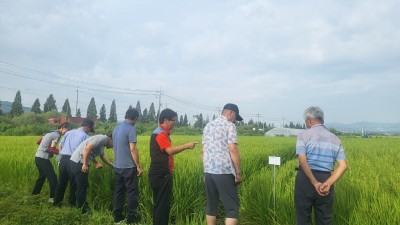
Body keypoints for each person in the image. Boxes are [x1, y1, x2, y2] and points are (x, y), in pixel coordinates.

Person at [294, 106, 348, 225]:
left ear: (309, 120)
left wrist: (314, 182)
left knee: (303, 219)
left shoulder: (303, 135)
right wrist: (327, 183)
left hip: (306, 180)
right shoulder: (335, 139)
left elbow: (302, 160)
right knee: (324, 220)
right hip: (326, 181)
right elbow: (343, 165)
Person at [148, 108, 197, 225]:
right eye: (173, 120)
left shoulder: (158, 132)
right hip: (162, 174)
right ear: (166, 120)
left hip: (156, 173)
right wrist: (186, 145)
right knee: (162, 206)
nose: (175, 123)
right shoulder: (160, 134)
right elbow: (169, 151)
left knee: (159, 204)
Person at [202, 103, 243, 225]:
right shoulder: (229, 126)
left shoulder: (208, 126)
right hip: (224, 171)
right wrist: (238, 172)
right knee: (232, 208)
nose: (235, 121)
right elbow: (233, 149)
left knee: (211, 206)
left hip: (209, 171)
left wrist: (205, 171)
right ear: (230, 113)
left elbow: (203, 151)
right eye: (235, 117)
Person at [53, 118, 95, 207]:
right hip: (74, 160)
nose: (89, 131)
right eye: (90, 129)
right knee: (73, 183)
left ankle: (56, 203)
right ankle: (71, 204)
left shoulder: (68, 132)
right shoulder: (85, 137)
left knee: (61, 182)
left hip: (63, 159)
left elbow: (60, 145)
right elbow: (86, 152)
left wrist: (61, 158)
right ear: (87, 127)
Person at [70, 134, 114, 214]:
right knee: (82, 186)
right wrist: (85, 164)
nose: (112, 147)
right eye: (114, 144)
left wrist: (111, 165)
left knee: (76, 185)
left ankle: (73, 205)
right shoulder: (102, 138)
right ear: (111, 139)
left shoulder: (102, 143)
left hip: (77, 162)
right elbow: (86, 149)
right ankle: (83, 210)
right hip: (79, 162)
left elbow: (102, 156)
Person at [112, 108, 142, 224]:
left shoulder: (116, 128)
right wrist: (138, 166)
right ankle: (131, 219)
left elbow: (115, 148)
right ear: (135, 119)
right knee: (132, 192)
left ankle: (117, 217)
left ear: (125, 116)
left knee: (118, 191)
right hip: (128, 167)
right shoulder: (131, 129)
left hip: (117, 165)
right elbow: (133, 149)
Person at [32, 122, 72, 203]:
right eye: (66, 130)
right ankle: (52, 198)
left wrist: (44, 147)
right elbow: (52, 149)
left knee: (42, 176)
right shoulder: (57, 135)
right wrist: (62, 153)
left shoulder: (50, 132)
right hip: (43, 158)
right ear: (62, 128)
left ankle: (34, 194)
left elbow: (38, 141)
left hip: (37, 157)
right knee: (53, 178)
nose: (66, 132)